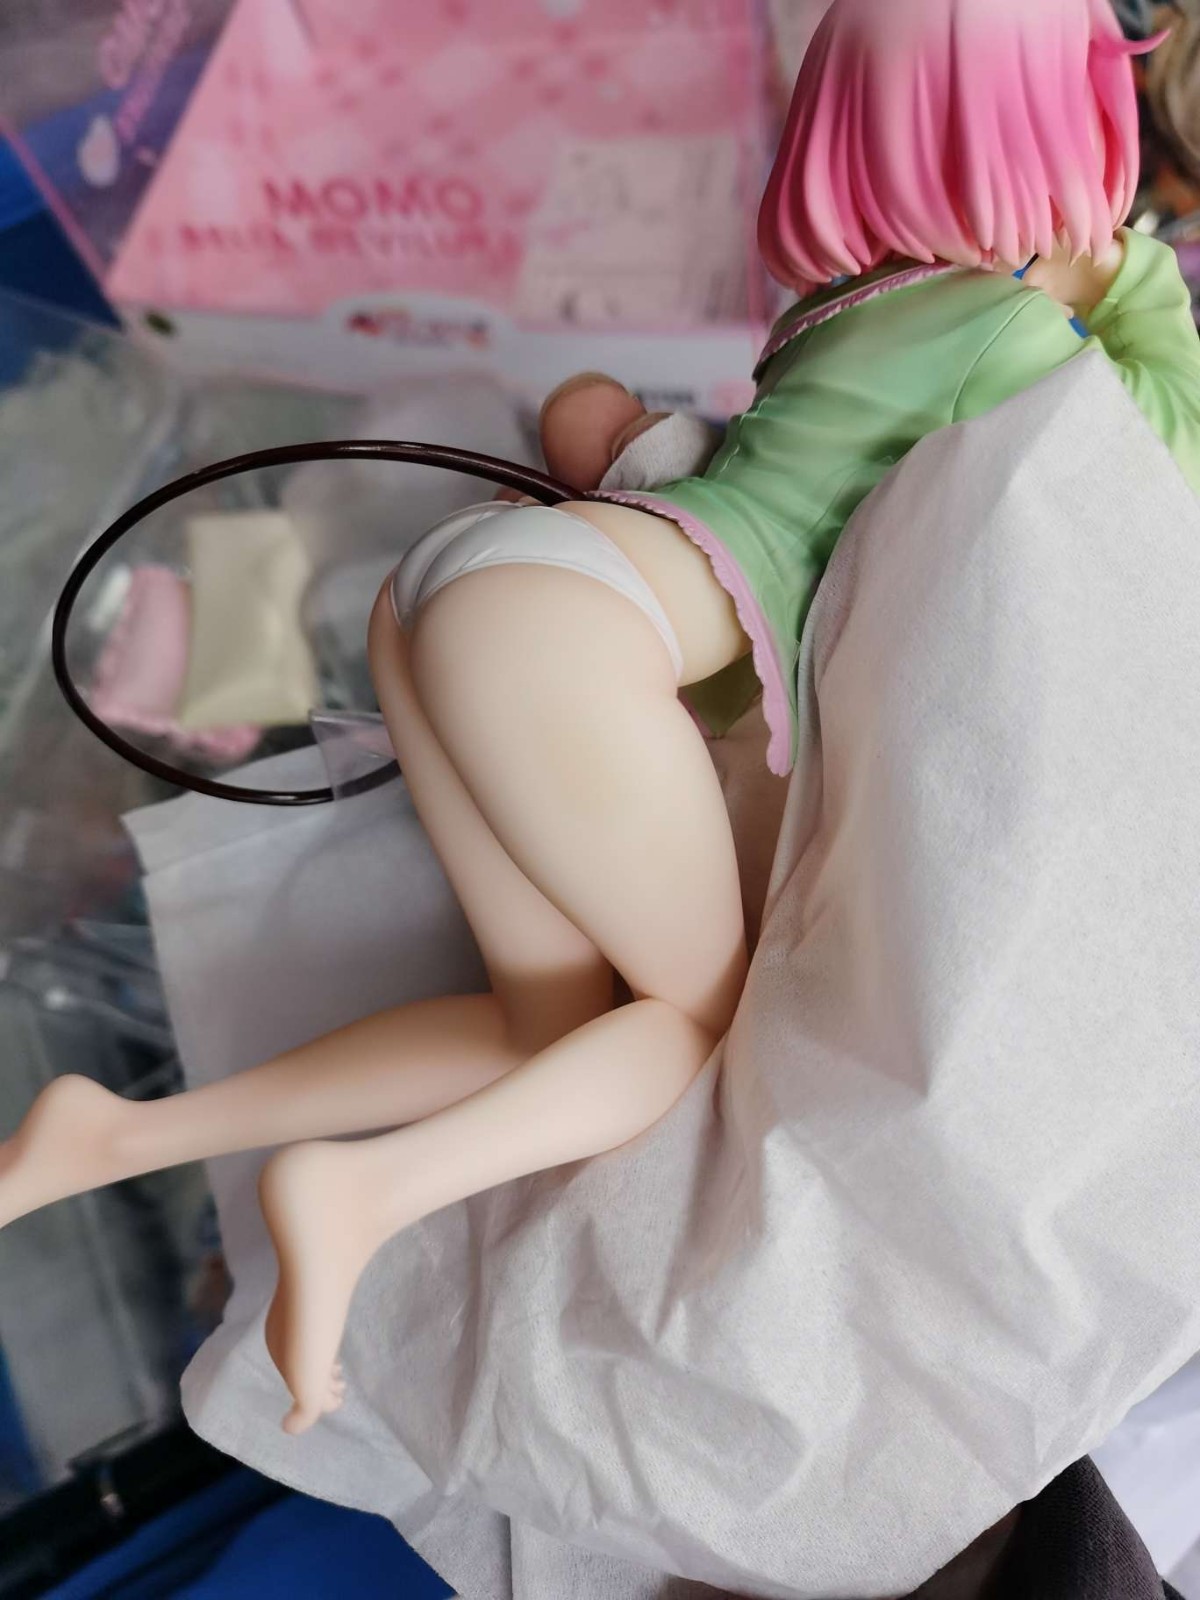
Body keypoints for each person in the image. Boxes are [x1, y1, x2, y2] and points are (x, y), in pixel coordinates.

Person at [3, 0, 1199, 1447]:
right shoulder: (1006, 333)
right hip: (563, 634)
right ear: (1050, 136)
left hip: (477, 587)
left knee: (550, 1027)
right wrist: (1128, 266)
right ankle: (359, 1189)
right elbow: (1163, 460)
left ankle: (122, 1131)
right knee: (697, 1036)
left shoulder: (834, 309)